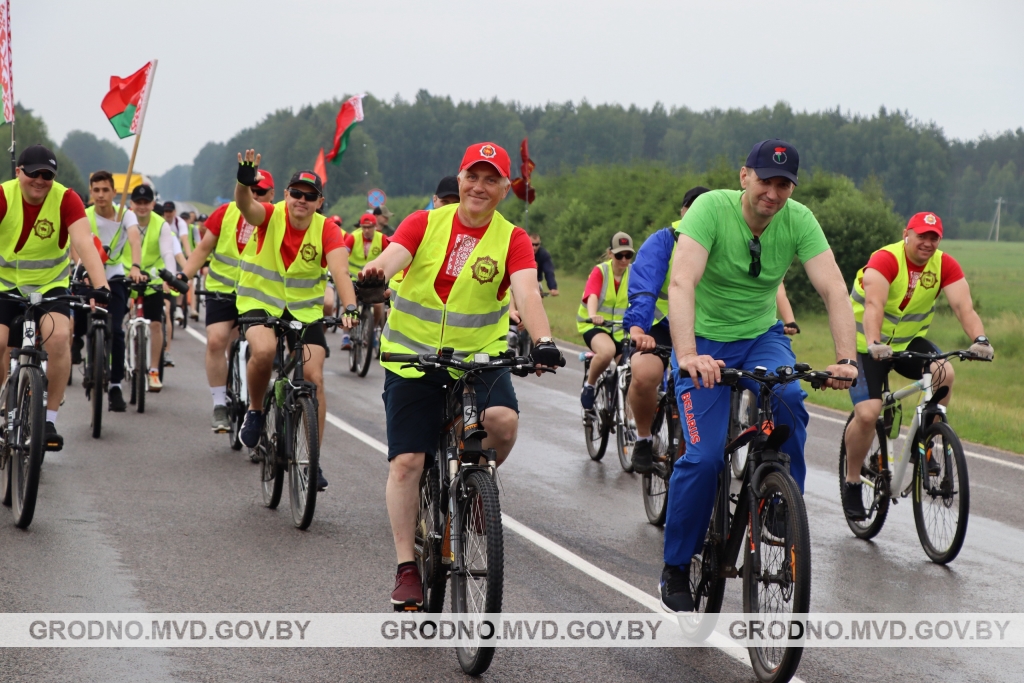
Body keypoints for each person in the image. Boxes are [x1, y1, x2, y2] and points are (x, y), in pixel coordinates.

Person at [360, 141, 564, 610]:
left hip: (478, 357)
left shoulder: (511, 238)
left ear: (504, 189)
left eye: (492, 179)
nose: (479, 186)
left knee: (503, 423)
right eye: (473, 176)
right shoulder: (423, 222)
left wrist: (545, 339)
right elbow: (390, 260)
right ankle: (406, 567)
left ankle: (472, 491)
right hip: (413, 357)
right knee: (408, 464)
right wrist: (374, 275)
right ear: (460, 178)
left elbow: (527, 293)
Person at [660, 139, 858, 613]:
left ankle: (779, 507)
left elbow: (833, 287)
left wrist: (847, 359)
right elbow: (682, 281)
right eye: (766, 180)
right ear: (745, 176)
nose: (774, 192)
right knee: (705, 459)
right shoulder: (709, 209)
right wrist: (687, 353)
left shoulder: (798, 219)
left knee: (789, 397)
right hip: (703, 345)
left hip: (760, 337)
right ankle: (675, 565)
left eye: (784, 184)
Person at [841, 211, 991, 519]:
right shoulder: (886, 259)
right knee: (868, 414)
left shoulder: (944, 265)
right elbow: (874, 305)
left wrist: (980, 339)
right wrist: (873, 343)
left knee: (944, 372)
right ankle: (853, 480)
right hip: (864, 346)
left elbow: (964, 306)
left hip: (907, 343)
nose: (927, 243)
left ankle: (928, 439)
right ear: (906, 233)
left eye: (933, 238)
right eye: (921, 235)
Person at [232, 153, 358, 491]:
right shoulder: (269, 215)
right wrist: (244, 182)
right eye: (295, 193)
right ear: (286, 195)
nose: (301, 200)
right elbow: (246, 205)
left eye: (309, 195)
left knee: (314, 377)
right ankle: (256, 411)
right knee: (264, 351)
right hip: (260, 301)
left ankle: (311, 459)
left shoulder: (328, 230)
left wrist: (350, 307)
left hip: (304, 311)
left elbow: (340, 272)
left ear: (320, 202)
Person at [0, 145, 111, 449]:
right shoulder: (3, 195)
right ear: (19, 172)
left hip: (49, 287)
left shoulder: (66, 198)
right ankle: (0, 413)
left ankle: (48, 420)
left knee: (60, 338)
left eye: (47, 175)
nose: (40, 180)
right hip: (4, 287)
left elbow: (83, 242)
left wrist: (101, 285)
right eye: (33, 173)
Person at [177, 171, 274, 431]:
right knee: (217, 340)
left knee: (265, 349)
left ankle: (264, 398)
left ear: (272, 196)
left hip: (257, 294)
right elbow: (203, 249)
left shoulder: (277, 219)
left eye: (261, 192)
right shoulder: (225, 212)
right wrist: (183, 276)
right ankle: (220, 404)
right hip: (222, 290)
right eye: (251, 190)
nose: (255, 195)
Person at [624, 186, 710, 472]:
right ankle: (644, 439)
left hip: (707, 330)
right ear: (683, 212)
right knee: (645, 374)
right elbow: (645, 289)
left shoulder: (723, 241)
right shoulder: (663, 241)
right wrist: (638, 330)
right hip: (661, 326)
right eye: (693, 209)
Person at [72, 170, 144, 411]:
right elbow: (75, 244)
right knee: (80, 316)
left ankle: (115, 385)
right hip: (87, 275)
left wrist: (135, 266)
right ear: (91, 192)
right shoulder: (84, 214)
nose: (101, 195)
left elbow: (134, 240)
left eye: (105, 190)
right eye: (96, 190)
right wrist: (82, 270)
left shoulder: (126, 215)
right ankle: (77, 342)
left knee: (116, 330)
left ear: (114, 192)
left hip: (114, 277)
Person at [130, 184, 183, 392]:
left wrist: (168, 278)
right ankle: (110, 362)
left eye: (146, 203)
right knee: (114, 319)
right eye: (138, 203)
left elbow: (168, 254)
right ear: (132, 204)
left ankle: (153, 371)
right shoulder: (126, 220)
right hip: (127, 273)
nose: (142, 207)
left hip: (153, 277)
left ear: (152, 204)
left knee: (156, 323)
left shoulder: (161, 225)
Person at [579, 232, 633, 407]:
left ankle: (630, 424)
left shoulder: (634, 273)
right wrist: (593, 315)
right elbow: (592, 295)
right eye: (619, 255)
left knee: (631, 370)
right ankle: (590, 385)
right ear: (610, 253)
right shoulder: (601, 271)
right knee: (607, 351)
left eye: (628, 255)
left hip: (621, 331)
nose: (624, 260)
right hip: (595, 327)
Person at [341, 213, 390, 349]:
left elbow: (391, 256)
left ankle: (371, 331)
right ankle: (345, 334)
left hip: (373, 281)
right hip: (354, 278)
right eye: (364, 227)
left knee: (379, 306)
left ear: (375, 226)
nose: (366, 230)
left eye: (369, 227)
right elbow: (342, 254)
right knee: (351, 302)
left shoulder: (382, 239)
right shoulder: (353, 237)